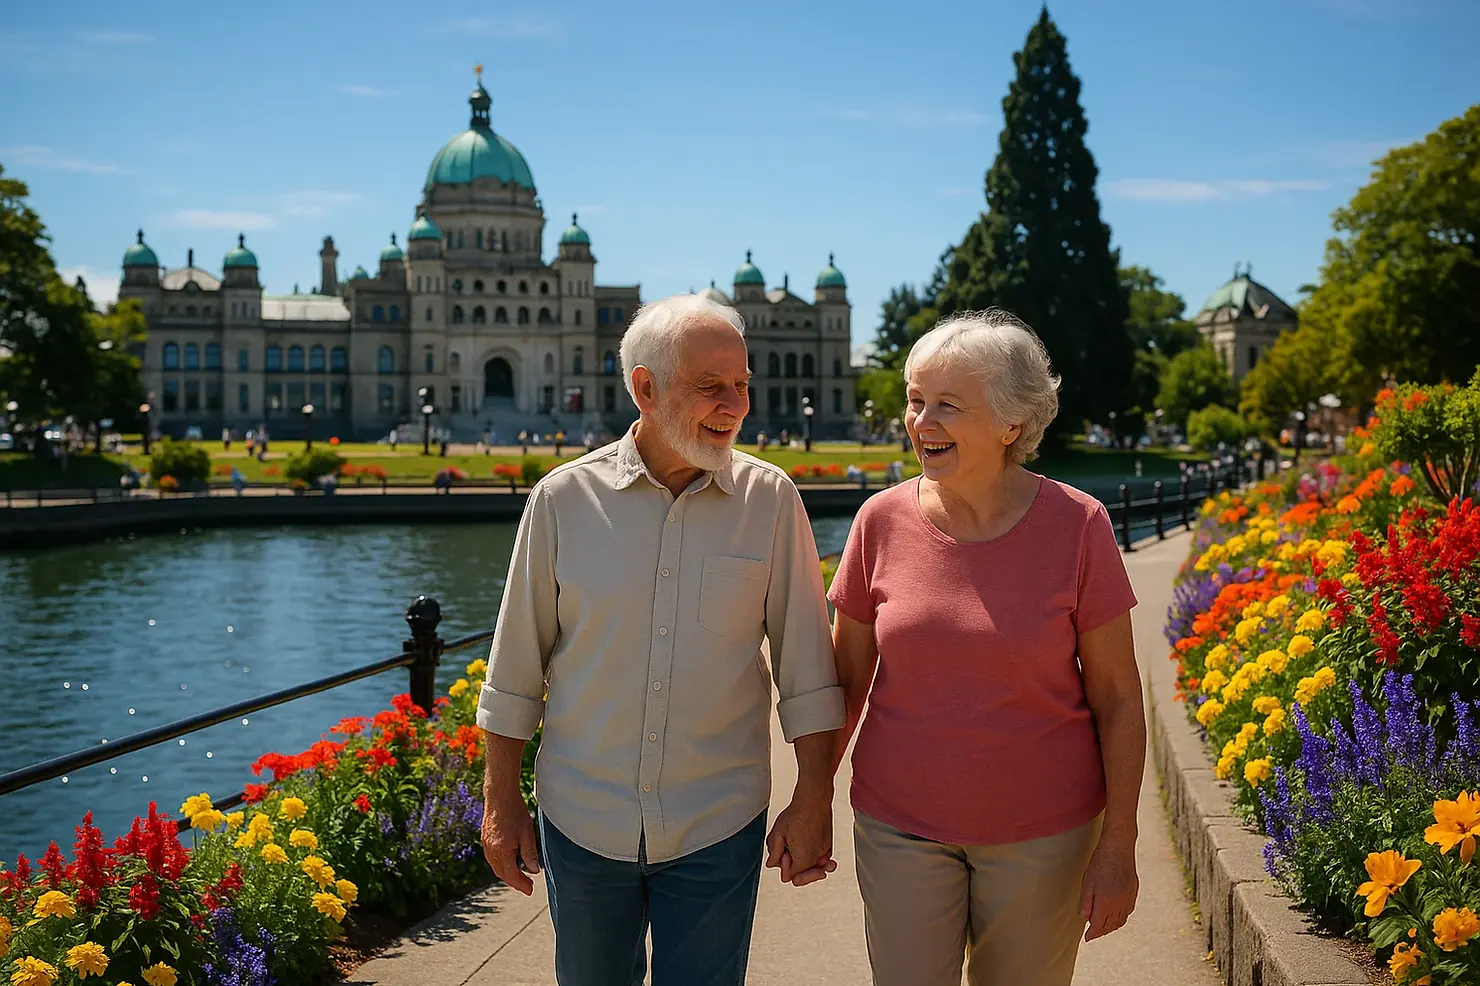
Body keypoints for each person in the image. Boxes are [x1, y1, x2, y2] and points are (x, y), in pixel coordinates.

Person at [477, 293, 844, 986]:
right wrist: (500, 802)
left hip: (719, 821)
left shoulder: (770, 502)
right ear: (644, 387)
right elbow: (515, 671)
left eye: (741, 385)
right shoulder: (562, 501)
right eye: (711, 387)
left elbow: (808, 674)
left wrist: (814, 797)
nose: (735, 405)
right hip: (583, 821)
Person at [827, 309, 1145, 986]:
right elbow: (845, 680)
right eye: (915, 400)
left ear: (1010, 423)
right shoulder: (877, 522)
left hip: (1045, 836)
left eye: (947, 404)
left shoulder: (1079, 525)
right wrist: (806, 799)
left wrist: (1120, 843)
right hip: (898, 827)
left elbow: (1118, 698)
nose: (921, 421)